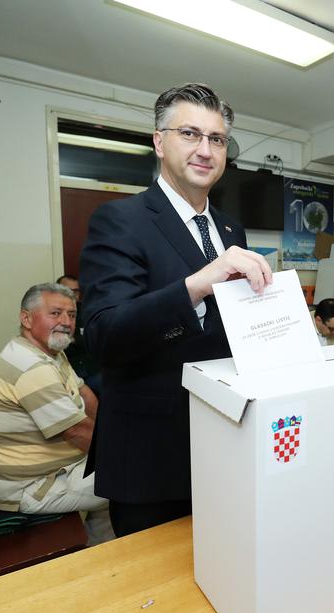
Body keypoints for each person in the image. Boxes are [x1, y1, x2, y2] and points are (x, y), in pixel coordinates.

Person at [79, 83, 273, 537]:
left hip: (224, 437)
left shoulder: (230, 228)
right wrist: (198, 284)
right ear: (158, 141)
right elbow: (104, 336)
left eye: (217, 139)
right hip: (150, 449)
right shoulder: (120, 220)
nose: (205, 150)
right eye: (190, 134)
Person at [0, 283, 113, 544]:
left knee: (126, 468)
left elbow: (84, 394)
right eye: (55, 313)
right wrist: (124, 453)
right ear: (26, 318)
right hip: (33, 488)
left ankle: (104, 554)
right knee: (135, 481)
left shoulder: (49, 352)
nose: (66, 322)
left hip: (56, 468)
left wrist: (111, 435)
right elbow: (76, 431)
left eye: (71, 315)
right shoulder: (31, 367)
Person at [56, 274, 101, 395]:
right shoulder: (50, 312)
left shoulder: (89, 311)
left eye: (75, 291)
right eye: (67, 291)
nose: (72, 294)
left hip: (93, 367)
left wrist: (77, 340)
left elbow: (97, 340)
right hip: (66, 370)